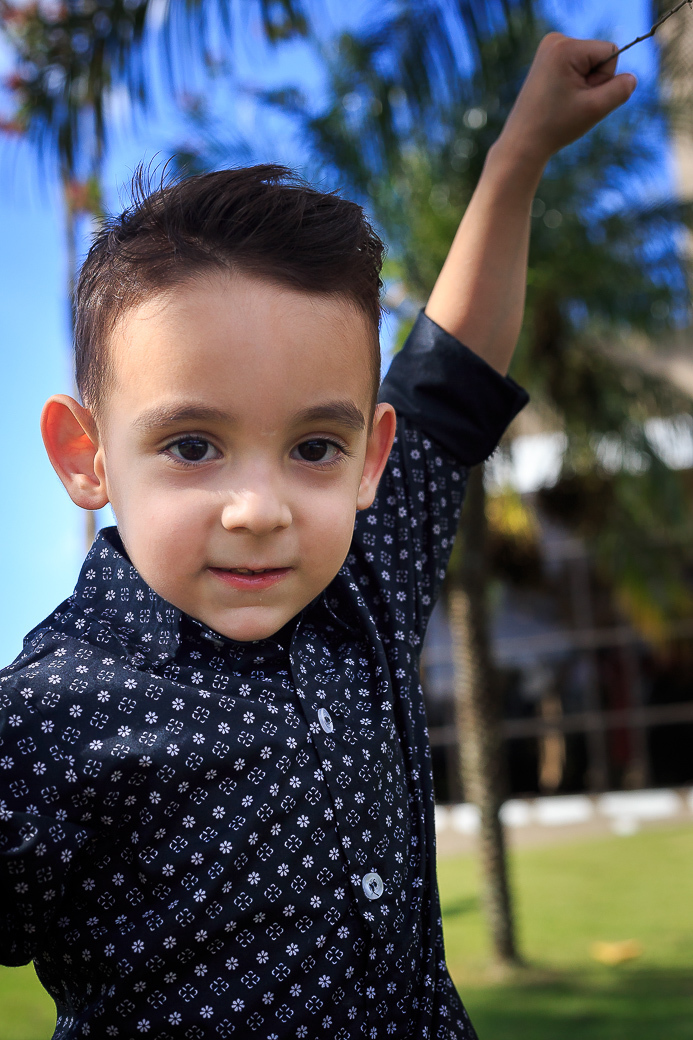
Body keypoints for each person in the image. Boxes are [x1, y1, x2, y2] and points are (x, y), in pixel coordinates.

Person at [0, 34, 635, 1040]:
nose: (261, 507)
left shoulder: (360, 588)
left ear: (371, 458)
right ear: (87, 456)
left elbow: (451, 373)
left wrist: (521, 151)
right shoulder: (43, 717)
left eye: (313, 446)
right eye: (194, 443)